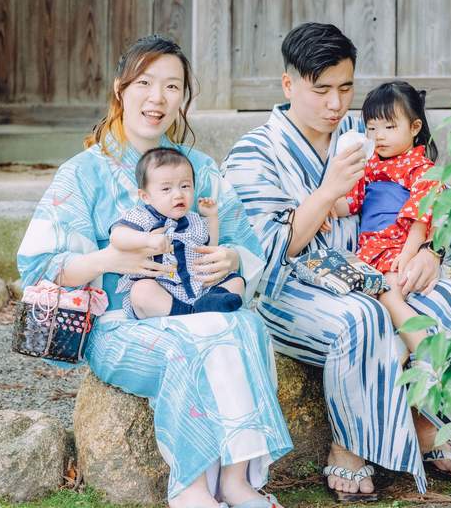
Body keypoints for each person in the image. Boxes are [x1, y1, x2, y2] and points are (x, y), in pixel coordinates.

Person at [18, 35, 292, 508]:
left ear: (183, 96)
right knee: (190, 344)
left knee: (244, 325)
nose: (158, 97)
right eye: (145, 83)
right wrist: (110, 260)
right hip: (121, 326)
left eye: (172, 86)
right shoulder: (84, 173)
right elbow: (40, 266)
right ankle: (189, 489)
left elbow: (248, 249)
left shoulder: (199, 169)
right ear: (121, 90)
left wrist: (233, 263)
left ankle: (236, 481)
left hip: (197, 306)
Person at [224, 23, 451, 501]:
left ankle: (425, 424)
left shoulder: (365, 132)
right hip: (294, 291)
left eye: (345, 89)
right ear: (288, 85)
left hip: (380, 271)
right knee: (363, 318)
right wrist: (325, 194)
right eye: (320, 90)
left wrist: (430, 250)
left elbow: (424, 191)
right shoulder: (253, 153)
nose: (335, 104)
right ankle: (350, 446)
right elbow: (260, 256)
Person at [339, 80, 444, 355]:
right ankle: (400, 355)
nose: (379, 136)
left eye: (389, 127)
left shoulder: (421, 168)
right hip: (372, 247)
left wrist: (408, 255)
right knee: (373, 301)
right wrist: (327, 206)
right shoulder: (371, 163)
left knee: (390, 295)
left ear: (415, 127)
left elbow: (420, 217)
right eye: (372, 128)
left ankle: (427, 355)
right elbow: (354, 200)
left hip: (397, 246)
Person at [113, 146, 246, 317]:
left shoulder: (194, 219)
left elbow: (210, 247)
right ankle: (187, 312)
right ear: (145, 196)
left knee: (236, 281)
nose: (178, 195)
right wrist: (146, 240)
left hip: (198, 287)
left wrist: (212, 217)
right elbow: (117, 236)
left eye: (185, 186)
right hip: (160, 287)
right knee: (141, 291)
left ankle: (206, 305)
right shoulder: (142, 217)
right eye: (166, 189)